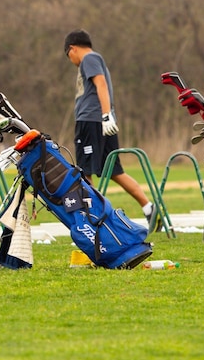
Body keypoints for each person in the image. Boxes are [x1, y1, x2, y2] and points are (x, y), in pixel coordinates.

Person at [63, 29, 158, 229]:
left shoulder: (89, 58)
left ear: (72, 49)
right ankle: (149, 208)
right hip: (104, 122)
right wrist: (108, 117)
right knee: (114, 170)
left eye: (68, 55)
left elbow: (101, 85)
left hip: (91, 121)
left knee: (85, 172)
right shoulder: (96, 59)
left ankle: (92, 219)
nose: (70, 60)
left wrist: (105, 115)